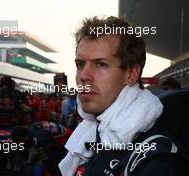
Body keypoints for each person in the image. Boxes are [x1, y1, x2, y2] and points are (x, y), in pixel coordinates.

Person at [59, 16, 185, 176]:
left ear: (131, 74)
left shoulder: (158, 161)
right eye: (80, 64)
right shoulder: (92, 131)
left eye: (100, 64)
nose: (83, 75)